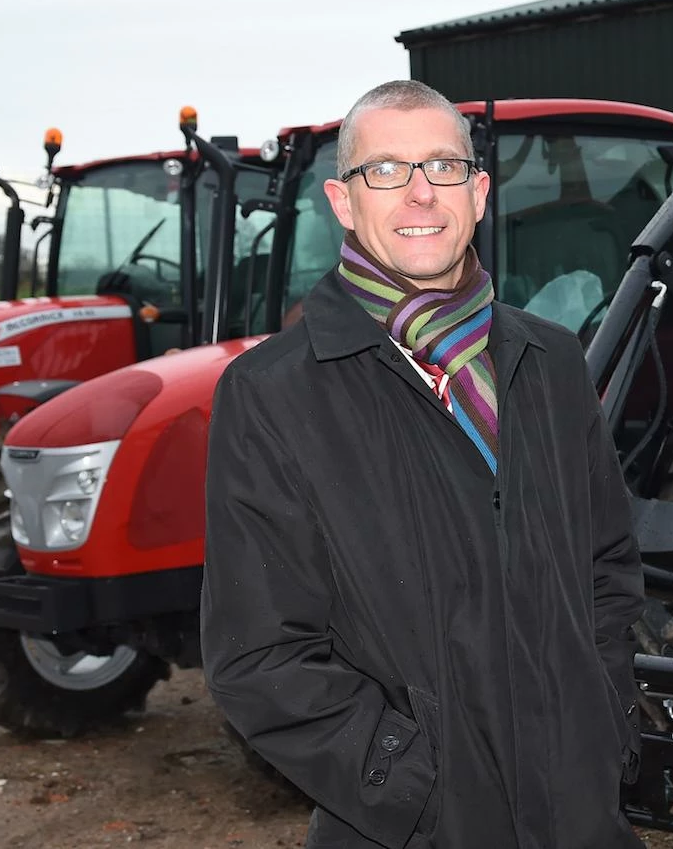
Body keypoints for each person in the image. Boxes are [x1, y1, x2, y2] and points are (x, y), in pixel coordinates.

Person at [200, 79, 645, 849]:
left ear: (477, 193)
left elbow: (607, 565)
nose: (418, 194)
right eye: (386, 171)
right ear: (343, 201)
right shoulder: (273, 393)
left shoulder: (553, 360)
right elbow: (260, 654)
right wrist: (409, 782)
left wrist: (605, 719)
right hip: (413, 828)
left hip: (580, 816)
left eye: (442, 167)